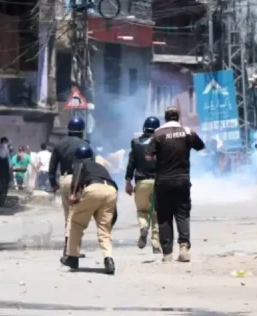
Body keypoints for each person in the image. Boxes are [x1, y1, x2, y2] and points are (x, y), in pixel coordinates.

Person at [146, 106, 205, 263]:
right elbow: (201, 146)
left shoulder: (158, 134)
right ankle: (184, 247)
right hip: (182, 180)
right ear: (178, 117)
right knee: (182, 214)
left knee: (164, 217)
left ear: (165, 117)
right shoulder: (187, 132)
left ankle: (167, 253)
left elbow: (148, 157)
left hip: (163, 181)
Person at [61, 145, 118, 275]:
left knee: (76, 223)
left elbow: (75, 184)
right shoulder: (101, 167)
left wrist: (73, 198)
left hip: (93, 188)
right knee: (104, 229)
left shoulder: (80, 164)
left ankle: (73, 257)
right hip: (111, 191)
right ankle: (108, 259)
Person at [49, 116, 89, 255]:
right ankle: (72, 249)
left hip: (64, 180)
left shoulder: (60, 144)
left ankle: (70, 248)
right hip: (79, 180)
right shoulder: (85, 144)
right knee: (76, 217)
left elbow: (52, 166)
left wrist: (53, 183)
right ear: (81, 130)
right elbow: (90, 166)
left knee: (68, 215)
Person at [125, 116, 161, 254]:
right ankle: (156, 244)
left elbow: (131, 164)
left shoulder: (135, 143)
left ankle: (144, 227)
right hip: (158, 183)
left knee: (142, 211)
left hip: (141, 183)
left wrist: (128, 181)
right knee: (156, 214)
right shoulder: (161, 143)